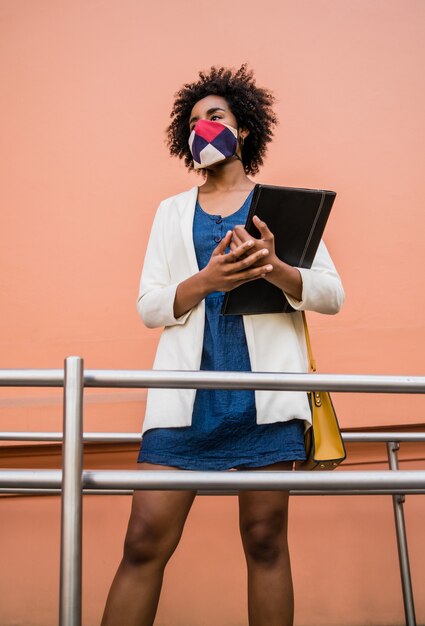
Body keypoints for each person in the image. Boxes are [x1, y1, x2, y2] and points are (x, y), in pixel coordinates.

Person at [101, 65, 344, 626]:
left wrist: (279, 269)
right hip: (186, 397)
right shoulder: (170, 213)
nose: (202, 128)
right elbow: (149, 305)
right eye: (192, 122)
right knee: (142, 541)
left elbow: (331, 295)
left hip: (263, 398)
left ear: (245, 130)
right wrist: (205, 282)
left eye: (216, 117)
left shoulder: (282, 205)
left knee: (264, 540)